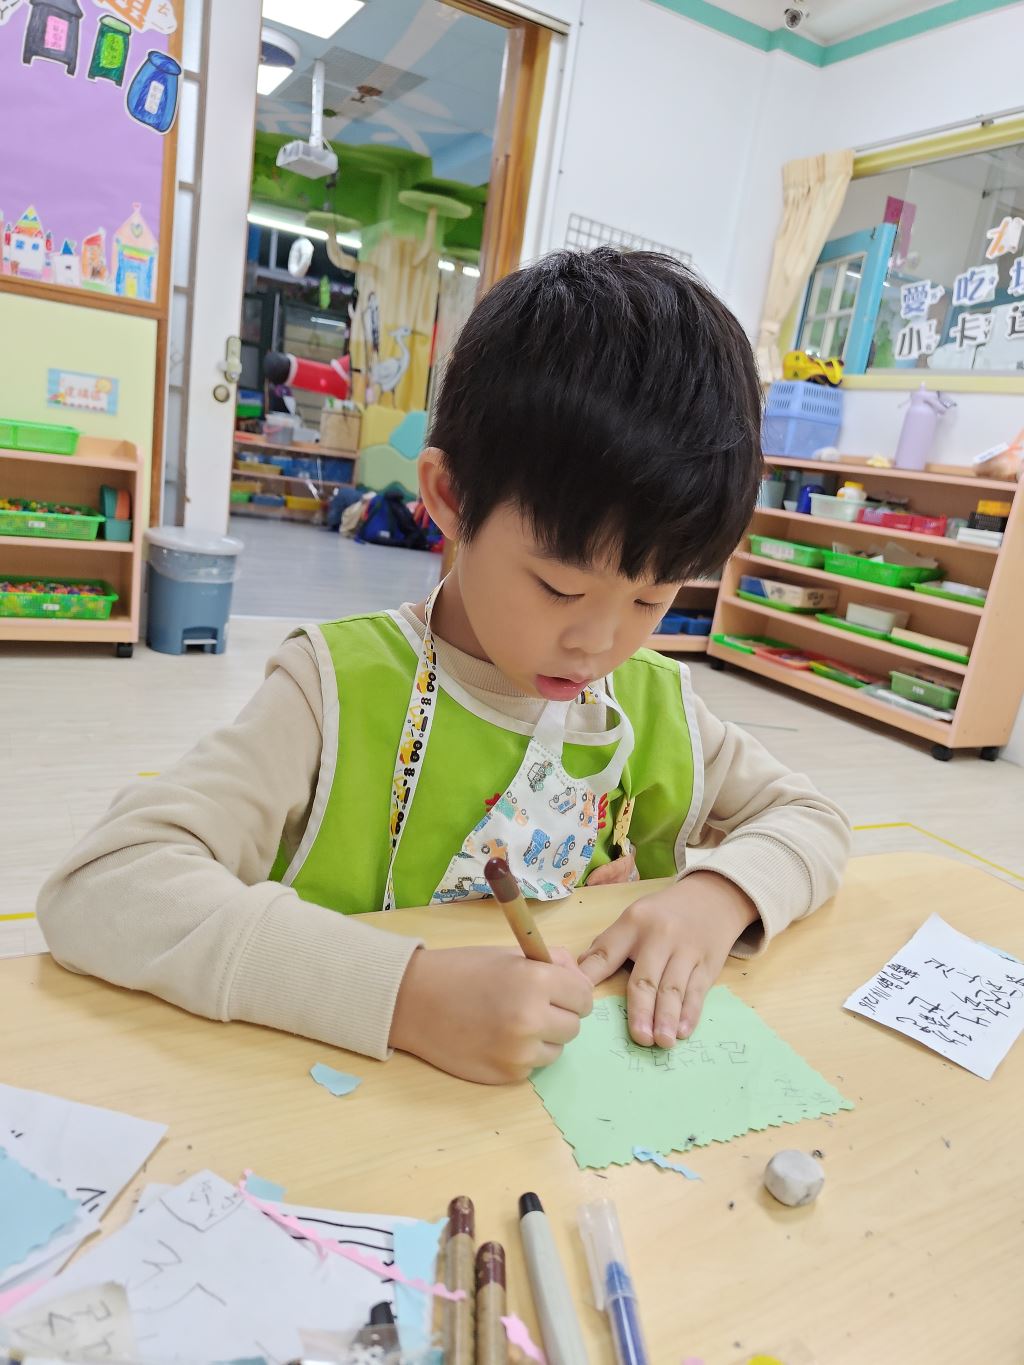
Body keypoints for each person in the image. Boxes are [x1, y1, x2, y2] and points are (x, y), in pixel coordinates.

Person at [38, 248, 850, 1086]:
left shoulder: (654, 704)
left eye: (652, 600)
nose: (599, 643)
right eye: (560, 587)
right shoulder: (335, 690)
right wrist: (406, 995)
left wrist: (720, 893)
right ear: (450, 498)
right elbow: (104, 884)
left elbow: (812, 818)